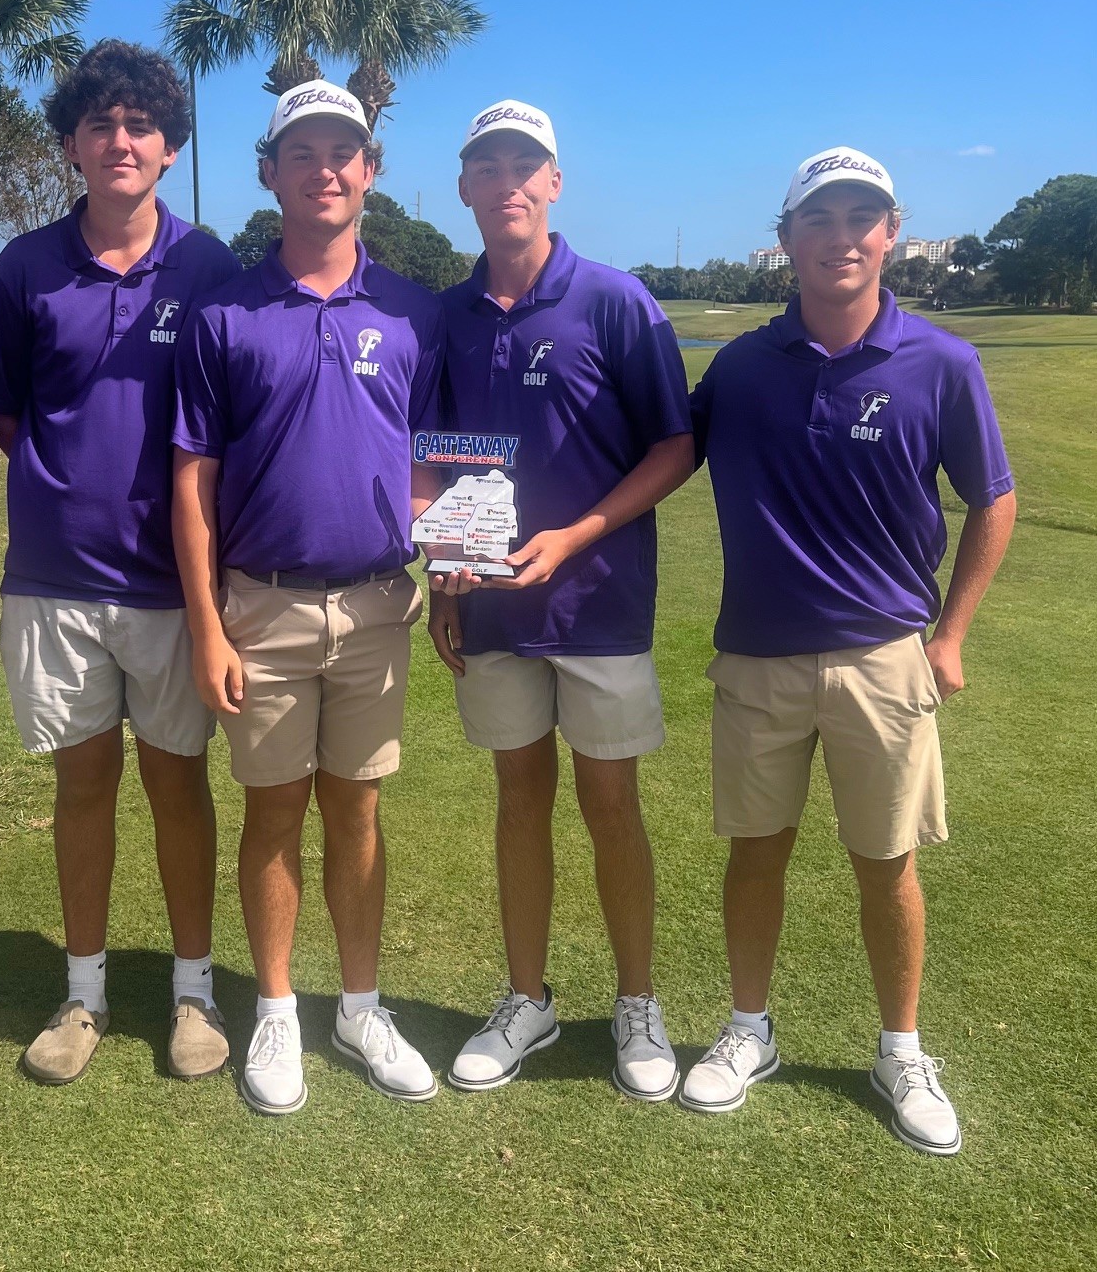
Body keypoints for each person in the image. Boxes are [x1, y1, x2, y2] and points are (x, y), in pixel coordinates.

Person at [680, 147, 1016, 1156]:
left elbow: (991, 497)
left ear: (890, 233)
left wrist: (950, 633)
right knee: (756, 854)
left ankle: (899, 1049)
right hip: (758, 656)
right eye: (819, 218)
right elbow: (650, 454)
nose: (842, 235)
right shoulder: (739, 368)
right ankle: (749, 1032)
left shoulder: (941, 362)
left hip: (883, 655)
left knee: (887, 864)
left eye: (861, 217)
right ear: (786, 240)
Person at [171, 78, 445, 1115]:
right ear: (271, 172)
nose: (325, 168)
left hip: (376, 606)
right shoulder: (225, 310)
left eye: (344, 151)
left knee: (358, 812)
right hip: (262, 605)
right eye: (304, 152)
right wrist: (206, 624)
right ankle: (279, 1008)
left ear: (368, 170)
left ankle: (361, 1005)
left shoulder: (413, 310)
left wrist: (439, 535)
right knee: (273, 812)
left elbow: (432, 459)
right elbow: (190, 481)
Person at [0, 40, 240, 1085]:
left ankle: (192, 992)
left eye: (140, 124)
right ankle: (82, 994)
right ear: (72, 147)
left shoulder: (211, 265)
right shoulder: (25, 267)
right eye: (101, 124)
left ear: (169, 149)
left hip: (175, 585)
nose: (120, 140)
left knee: (180, 789)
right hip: (56, 575)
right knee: (82, 787)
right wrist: (59, 476)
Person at [426, 101, 694, 1098]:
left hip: (599, 603)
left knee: (610, 800)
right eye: (488, 167)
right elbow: (438, 461)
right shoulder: (445, 317)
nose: (508, 183)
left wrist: (579, 532)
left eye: (525, 166)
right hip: (491, 608)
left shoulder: (616, 301)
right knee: (517, 797)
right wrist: (442, 573)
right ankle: (527, 999)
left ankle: (636, 1005)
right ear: (463, 188)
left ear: (554, 182)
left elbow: (675, 445)